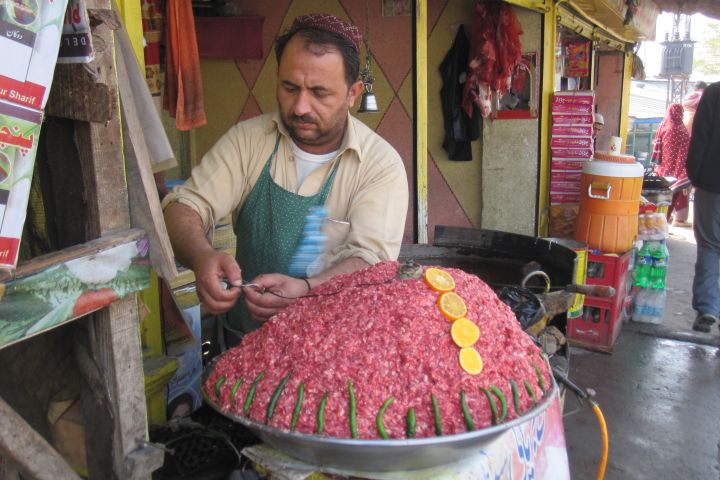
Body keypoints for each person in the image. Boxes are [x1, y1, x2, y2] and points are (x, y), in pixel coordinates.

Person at [162, 13, 409, 345]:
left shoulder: (379, 164)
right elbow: (182, 208)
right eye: (290, 87)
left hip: (337, 351)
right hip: (246, 345)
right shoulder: (248, 141)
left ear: (353, 93)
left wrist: (308, 290)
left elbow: (371, 262)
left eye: (320, 93)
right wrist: (201, 256)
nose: (300, 107)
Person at [686, 81, 720, 333]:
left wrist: (696, 177)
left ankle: (707, 308)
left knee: (709, 246)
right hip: (710, 182)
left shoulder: (715, 93)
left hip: (712, 185)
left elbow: (700, 138)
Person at [652, 103, 691, 226]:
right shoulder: (682, 131)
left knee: (659, 200)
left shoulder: (663, 126)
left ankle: (658, 222)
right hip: (676, 171)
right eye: (682, 112)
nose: (683, 115)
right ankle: (665, 223)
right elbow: (685, 153)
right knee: (673, 198)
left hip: (662, 170)